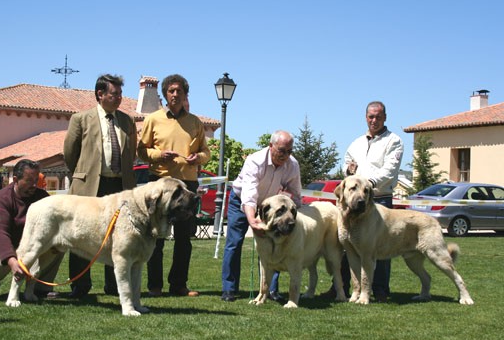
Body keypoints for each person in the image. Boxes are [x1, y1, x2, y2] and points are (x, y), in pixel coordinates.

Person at [63, 74, 137, 299]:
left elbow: (131, 154)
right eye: (114, 94)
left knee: (119, 236)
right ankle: (80, 286)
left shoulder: (127, 121)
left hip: (119, 184)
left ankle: (114, 286)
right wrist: (83, 174)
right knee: (79, 234)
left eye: (120, 95)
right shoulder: (80, 119)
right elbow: (69, 153)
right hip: (88, 186)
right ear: (100, 94)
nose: (119, 99)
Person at [321, 101, 404, 302]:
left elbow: (390, 170)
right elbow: (346, 163)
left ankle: (380, 290)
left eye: (378, 116)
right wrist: (347, 170)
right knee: (345, 245)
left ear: (385, 117)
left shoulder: (394, 141)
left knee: (379, 246)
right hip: (351, 203)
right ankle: (340, 287)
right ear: (365, 117)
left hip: (378, 198)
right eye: (370, 116)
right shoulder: (356, 142)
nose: (374, 120)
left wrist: (369, 184)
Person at [137, 74, 210, 297]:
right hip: (159, 185)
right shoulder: (153, 119)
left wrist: (198, 158)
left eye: (179, 91)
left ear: (186, 94)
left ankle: (179, 285)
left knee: (183, 239)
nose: (175, 94)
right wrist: (159, 155)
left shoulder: (195, 122)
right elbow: (141, 151)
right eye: (171, 91)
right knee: (156, 238)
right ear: (165, 94)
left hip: (187, 186)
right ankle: (155, 287)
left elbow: (206, 153)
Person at [221, 130, 302, 302]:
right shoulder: (255, 161)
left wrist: (295, 210)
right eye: (281, 150)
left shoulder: (292, 165)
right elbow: (249, 195)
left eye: (289, 151)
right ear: (271, 146)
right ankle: (229, 289)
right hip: (240, 200)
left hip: (270, 207)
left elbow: (296, 194)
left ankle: (271, 290)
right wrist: (252, 221)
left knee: (274, 244)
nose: (285, 155)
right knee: (234, 242)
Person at [0, 159, 63, 297]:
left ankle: (41, 288)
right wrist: (12, 261)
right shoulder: (2, 198)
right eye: (29, 181)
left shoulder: (42, 197)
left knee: (59, 245)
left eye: (37, 180)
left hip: (25, 244)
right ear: (16, 179)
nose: (34, 185)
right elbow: (0, 233)